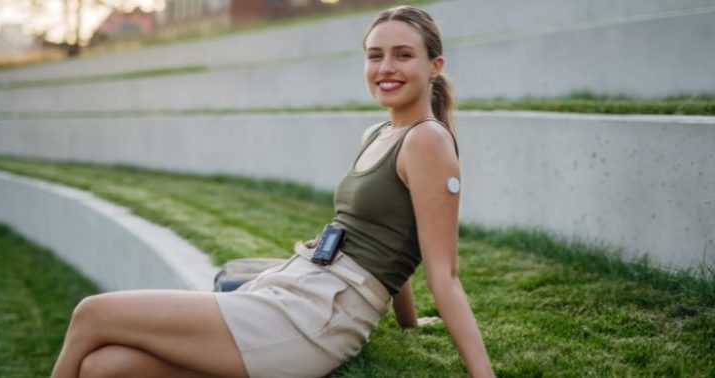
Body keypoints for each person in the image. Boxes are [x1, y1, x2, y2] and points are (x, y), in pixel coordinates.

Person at [51, 5, 494, 378]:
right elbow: (392, 232)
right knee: (104, 368)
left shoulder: (428, 141)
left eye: (403, 55)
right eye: (375, 55)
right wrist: (409, 322)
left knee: (92, 313)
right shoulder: (378, 133)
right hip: (298, 286)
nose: (385, 68)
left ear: (435, 66)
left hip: (319, 317)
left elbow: (444, 273)